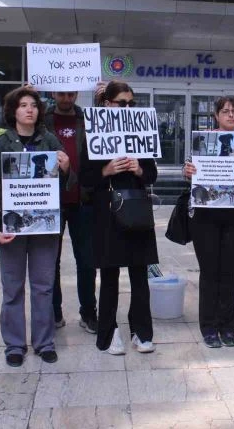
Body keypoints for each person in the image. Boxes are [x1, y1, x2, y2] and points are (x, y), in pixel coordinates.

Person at [0, 86, 70, 367]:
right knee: (13, 288)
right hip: (11, 229)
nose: (29, 109)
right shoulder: (2, 144)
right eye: (23, 105)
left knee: (43, 287)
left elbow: (65, 185)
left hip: (44, 228)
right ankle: (15, 345)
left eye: (33, 105)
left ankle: (44, 342)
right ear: (13, 111)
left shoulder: (50, 141)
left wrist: (66, 168)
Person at [80, 81, 158, 356]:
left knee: (140, 273)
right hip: (107, 211)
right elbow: (85, 177)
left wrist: (139, 169)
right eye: (121, 103)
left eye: (131, 103)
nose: (127, 108)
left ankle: (141, 331)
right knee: (110, 274)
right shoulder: (94, 132)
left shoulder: (141, 130)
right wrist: (106, 170)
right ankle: (109, 331)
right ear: (107, 104)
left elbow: (152, 173)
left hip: (137, 209)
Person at [183, 96, 234, 348]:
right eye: (225, 111)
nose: (230, 115)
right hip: (205, 216)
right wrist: (188, 172)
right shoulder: (203, 141)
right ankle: (208, 326)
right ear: (216, 116)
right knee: (209, 272)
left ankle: (227, 326)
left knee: (229, 272)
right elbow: (189, 171)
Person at [44, 91, 97, 333]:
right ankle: (54, 312)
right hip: (49, 200)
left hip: (83, 199)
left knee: (86, 260)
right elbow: (14, 123)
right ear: (53, 92)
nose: (66, 98)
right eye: (62, 94)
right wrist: (27, 94)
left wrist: (102, 100)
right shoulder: (41, 119)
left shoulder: (88, 119)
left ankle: (88, 313)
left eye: (71, 94)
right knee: (50, 261)